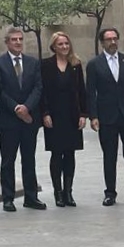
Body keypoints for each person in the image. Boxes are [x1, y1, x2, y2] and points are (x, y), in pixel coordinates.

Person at [86, 27, 124, 207]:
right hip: (106, 117)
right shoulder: (94, 64)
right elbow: (91, 93)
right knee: (109, 156)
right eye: (109, 39)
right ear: (102, 42)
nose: (113, 42)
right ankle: (110, 193)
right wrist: (93, 116)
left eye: (115, 39)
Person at [0, 26, 46, 211]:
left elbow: (38, 87)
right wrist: (16, 107)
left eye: (20, 39)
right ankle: (8, 198)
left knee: (29, 158)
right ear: (7, 42)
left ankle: (31, 197)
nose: (18, 43)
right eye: (14, 39)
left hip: (29, 119)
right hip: (8, 120)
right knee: (8, 160)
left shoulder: (33, 63)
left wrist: (27, 107)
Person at [40, 32, 87, 208]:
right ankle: (58, 192)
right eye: (60, 44)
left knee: (70, 153)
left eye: (66, 43)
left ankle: (68, 192)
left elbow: (82, 91)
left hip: (71, 115)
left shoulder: (76, 65)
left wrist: (83, 115)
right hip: (54, 115)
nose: (64, 47)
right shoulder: (45, 65)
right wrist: (44, 113)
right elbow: (42, 91)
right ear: (54, 46)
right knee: (56, 154)